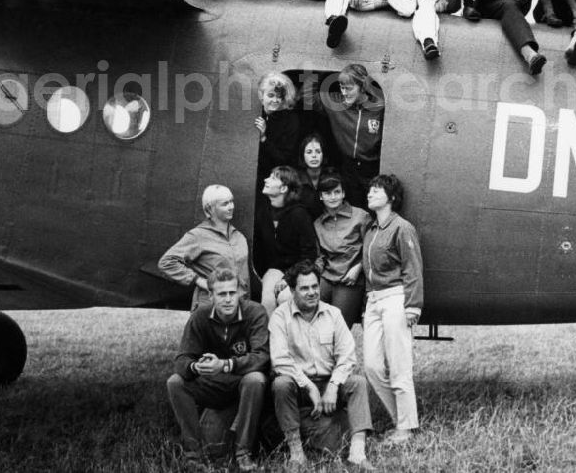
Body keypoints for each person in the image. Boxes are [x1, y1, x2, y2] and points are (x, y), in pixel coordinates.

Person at [269, 260, 374, 470]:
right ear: (292, 290)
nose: (311, 292)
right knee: (281, 384)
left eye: (315, 286)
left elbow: (347, 354)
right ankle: (296, 452)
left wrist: (334, 386)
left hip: (327, 382)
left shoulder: (333, 314)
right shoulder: (280, 316)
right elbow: (279, 360)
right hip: (299, 385)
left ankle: (357, 453)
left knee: (358, 383)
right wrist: (308, 386)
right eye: (304, 288)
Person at [165, 267, 269, 472]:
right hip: (213, 384)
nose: (228, 299)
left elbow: (263, 356)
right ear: (211, 296)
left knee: (256, 378)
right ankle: (194, 456)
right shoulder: (200, 315)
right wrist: (196, 366)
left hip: (241, 384)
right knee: (175, 382)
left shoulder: (255, 312)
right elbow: (181, 359)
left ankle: (244, 453)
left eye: (232, 292)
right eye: (222, 294)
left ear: (240, 292)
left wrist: (226, 364)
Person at [361, 174, 423, 444]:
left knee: (399, 366)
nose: (370, 193)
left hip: (396, 299)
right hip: (373, 301)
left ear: (391, 198)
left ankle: (405, 428)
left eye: (377, 190)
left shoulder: (402, 228)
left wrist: (413, 306)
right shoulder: (372, 229)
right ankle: (402, 418)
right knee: (372, 367)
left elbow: (412, 268)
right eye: (370, 189)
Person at [158, 185, 251, 308]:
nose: (231, 207)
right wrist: (198, 280)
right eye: (225, 204)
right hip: (209, 305)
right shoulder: (198, 235)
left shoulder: (239, 237)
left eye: (231, 201)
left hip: (238, 305)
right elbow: (167, 262)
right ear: (210, 209)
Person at [254, 166, 318, 317]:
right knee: (268, 300)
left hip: (298, 271)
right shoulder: (264, 213)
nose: (266, 180)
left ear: (283, 188)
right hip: (273, 270)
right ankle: (269, 338)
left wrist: (289, 278)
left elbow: (309, 254)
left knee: (286, 298)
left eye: (273, 178)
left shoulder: (299, 214)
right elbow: (258, 249)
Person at [319, 64, 384, 208]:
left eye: (348, 88)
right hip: (348, 168)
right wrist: (322, 74)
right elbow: (308, 97)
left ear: (362, 87)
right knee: (352, 209)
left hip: (372, 169)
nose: (344, 93)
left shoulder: (378, 107)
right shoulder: (336, 103)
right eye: (342, 87)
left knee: (373, 208)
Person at [314, 171, 370, 328]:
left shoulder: (361, 217)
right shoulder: (318, 224)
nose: (333, 197)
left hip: (350, 278)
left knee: (338, 328)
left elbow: (371, 249)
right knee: (311, 320)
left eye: (337, 192)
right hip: (326, 277)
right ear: (321, 196)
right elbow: (320, 256)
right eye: (327, 193)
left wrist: (358, 268)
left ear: (343, 193)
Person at [254, 72, 301, 184]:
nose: (275, 100)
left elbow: (284, 158)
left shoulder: (291, 120)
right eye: (271, 95)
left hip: (276, 178)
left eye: (279, 97)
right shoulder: (253, 112)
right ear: (262, 95)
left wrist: (264, 138)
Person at [295, 133, 328, 220]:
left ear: (323, 154)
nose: (314, 156)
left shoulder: (331, 176)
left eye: (318, 151)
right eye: (309, 152)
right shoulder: (295, 179)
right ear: (302, 155)